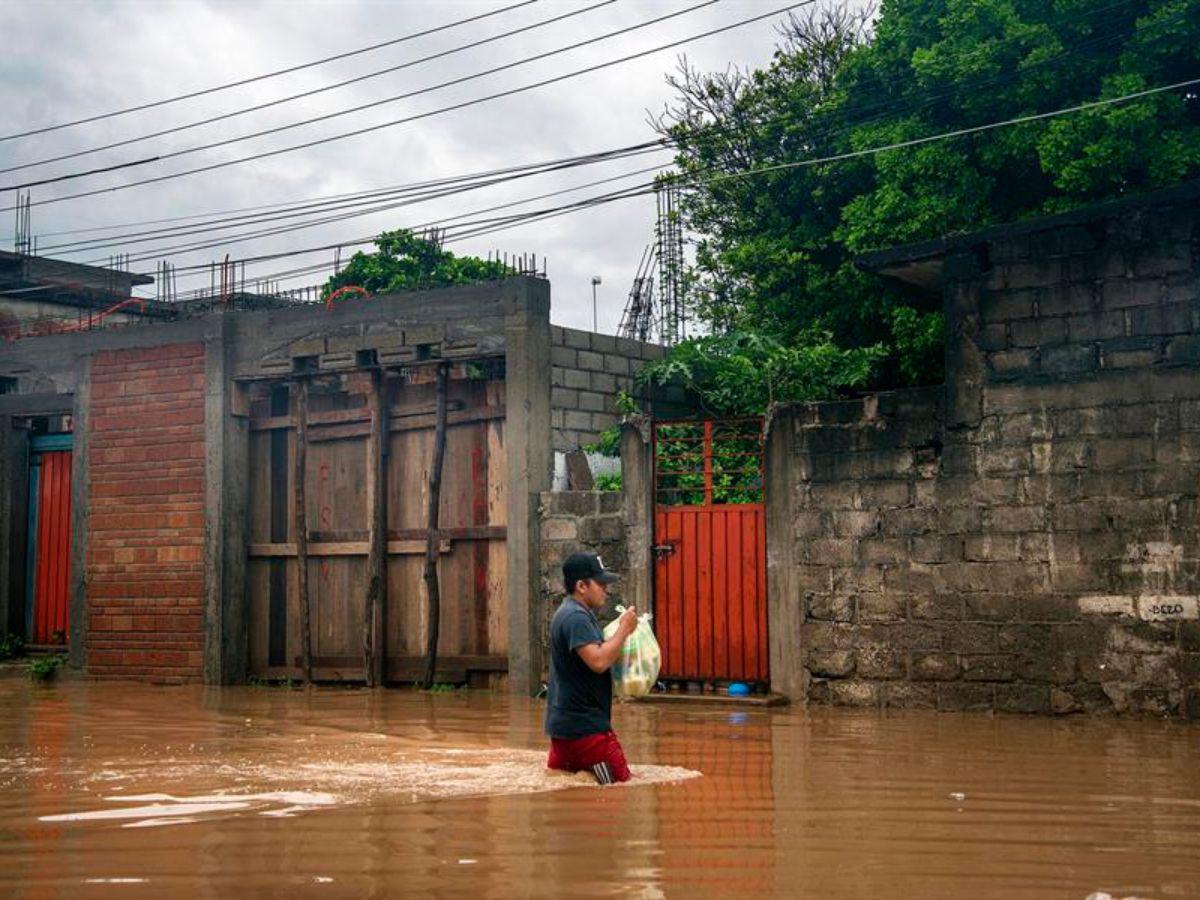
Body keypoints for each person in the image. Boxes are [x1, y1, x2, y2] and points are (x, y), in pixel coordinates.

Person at [545, 551, 638, 785]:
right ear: (581, 586)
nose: (606, 589)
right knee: (620, 789)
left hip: (564, 732)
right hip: (588, 735)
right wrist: (624, 630)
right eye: (601, 583)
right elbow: (597, 661)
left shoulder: (569, 613)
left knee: (569, 800)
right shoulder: (576, 617)